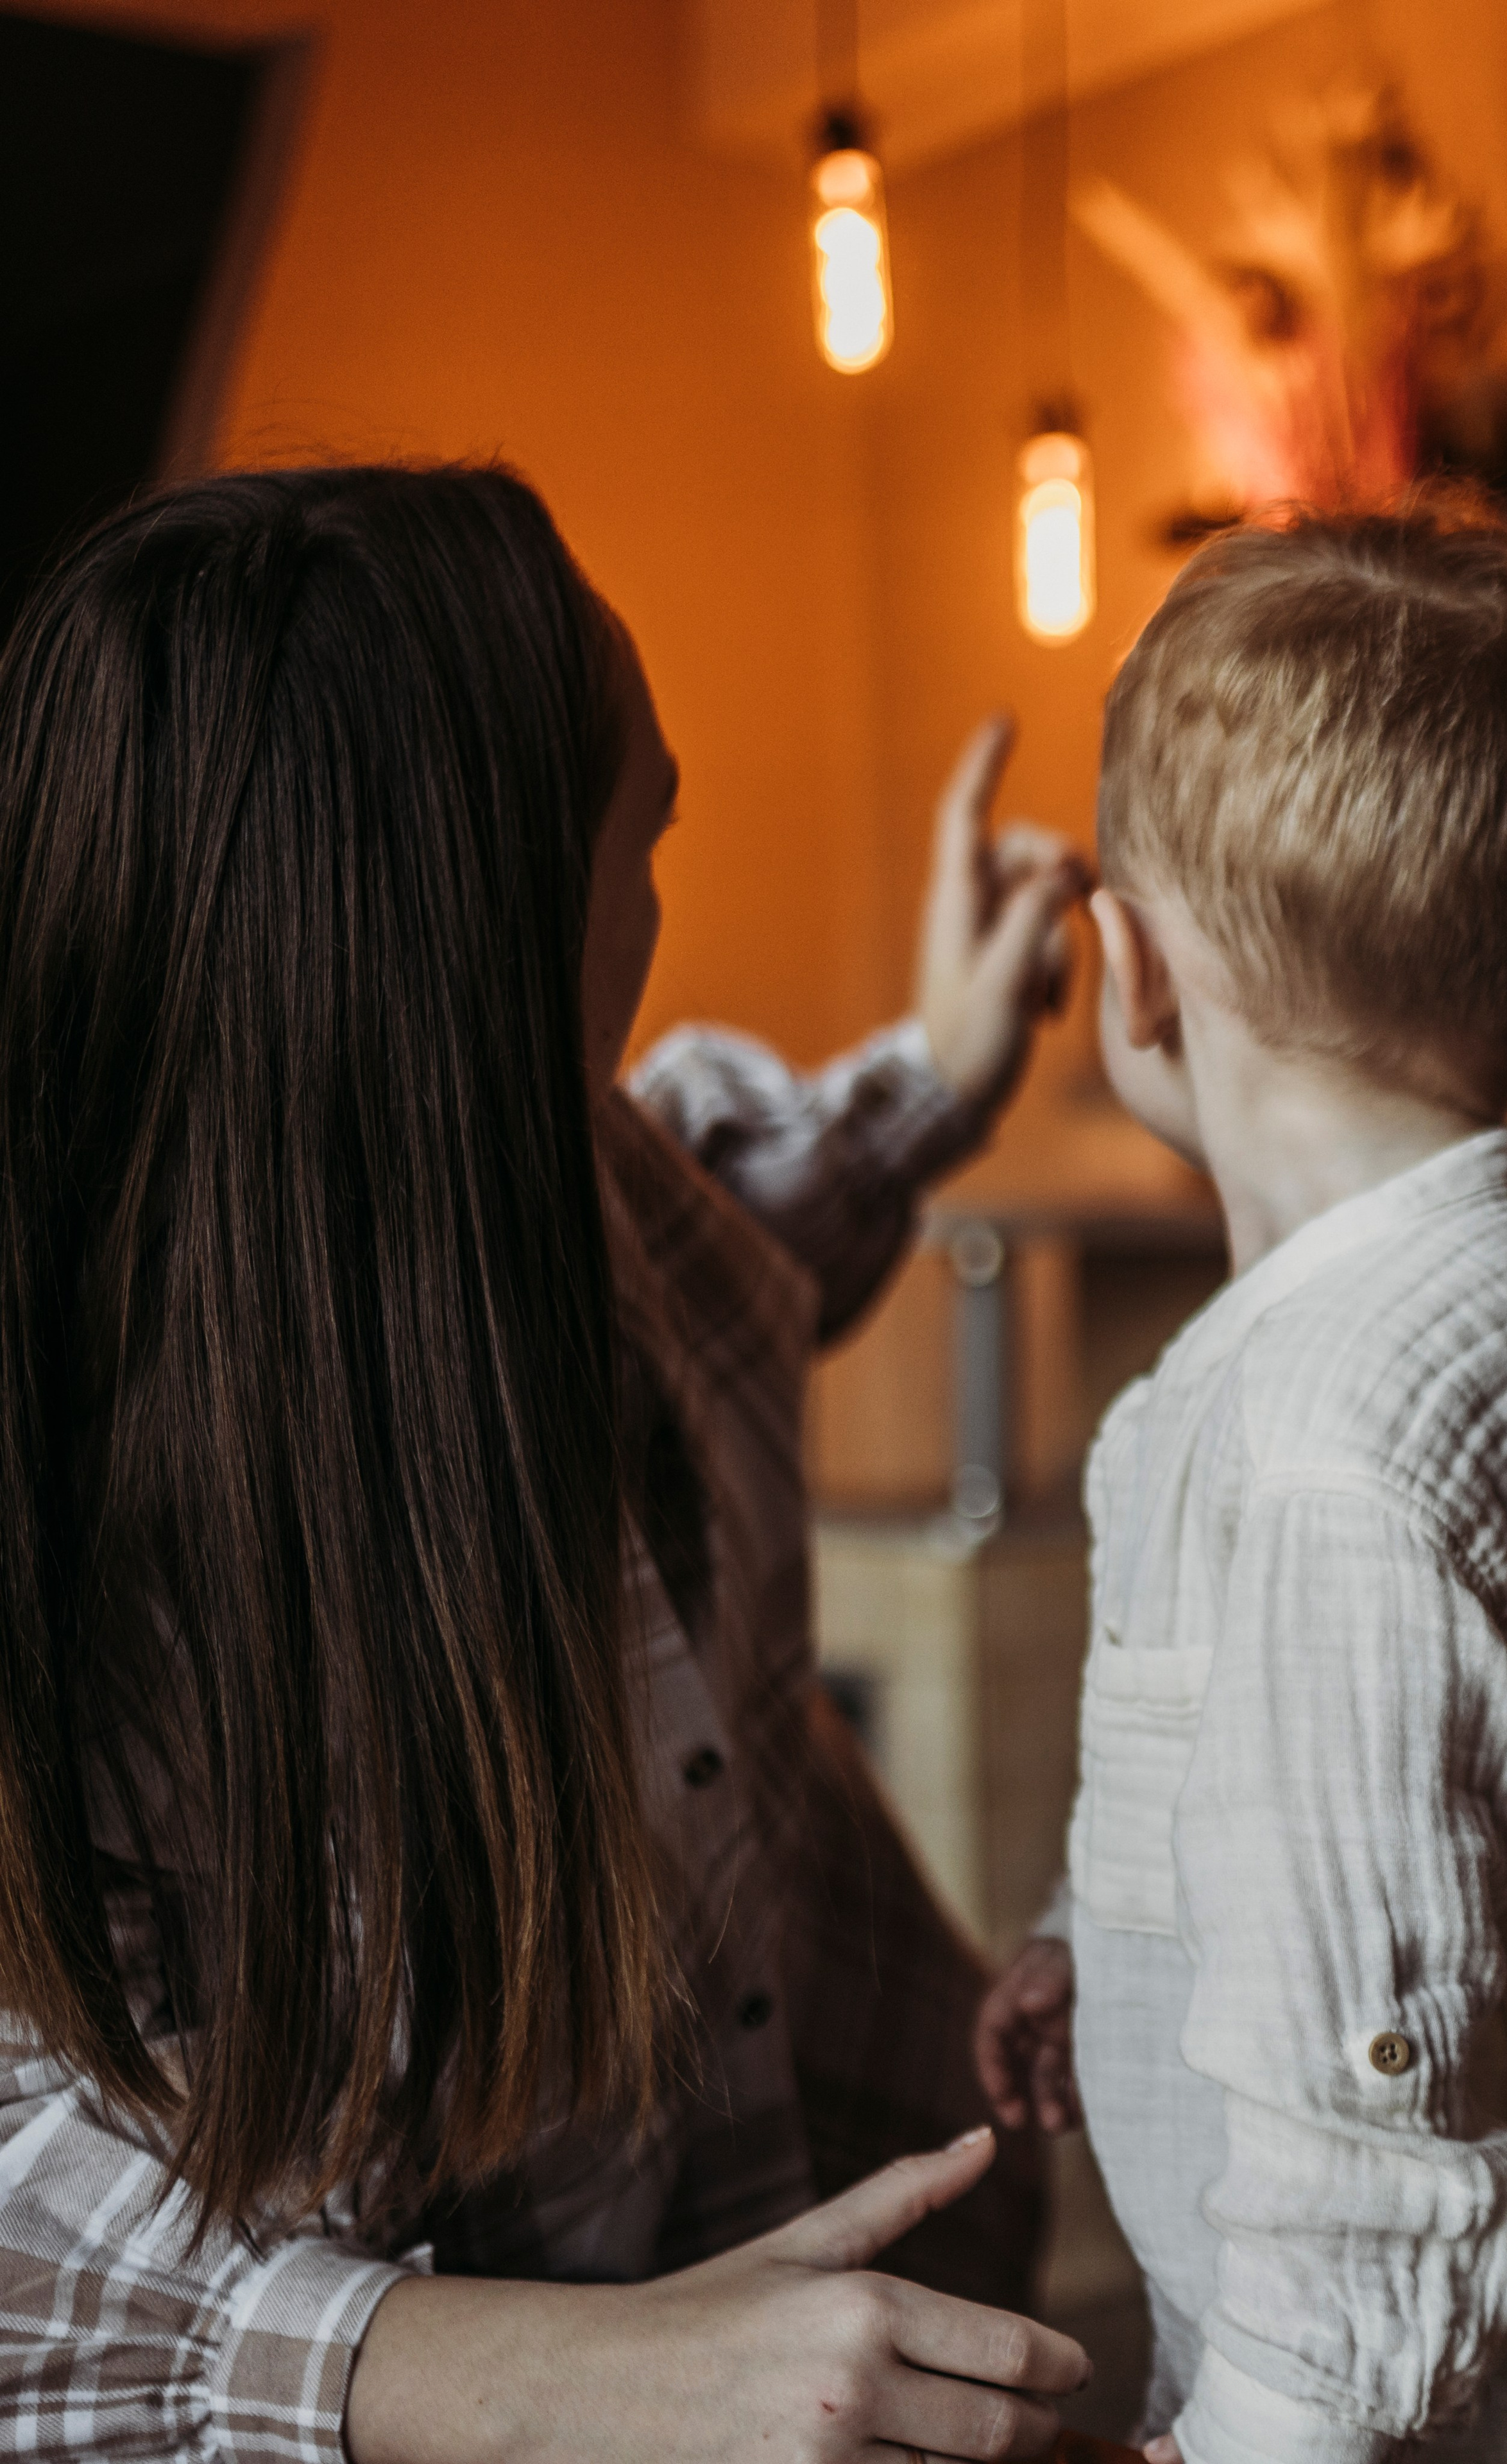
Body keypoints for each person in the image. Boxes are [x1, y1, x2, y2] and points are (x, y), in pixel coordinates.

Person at [0, 464, 1094, 2462]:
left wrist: (937, 1064)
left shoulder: (578, 1184)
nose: (661, 907)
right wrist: (541, 2376)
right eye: (644, 840)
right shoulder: (79, 1565)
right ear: (462, 958)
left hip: (878, 2207)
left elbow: (740, 1215)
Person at [976, 505, 1507, 2464]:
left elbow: (1370, 2131)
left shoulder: (1341, 1458)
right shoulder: (1428, 1339)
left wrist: (1264, 2437)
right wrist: (1093, 1939)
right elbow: (1343, 1825)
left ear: (1136, 979)